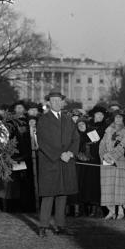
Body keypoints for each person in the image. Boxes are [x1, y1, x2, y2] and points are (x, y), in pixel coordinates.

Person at [34, 90, 77, 236]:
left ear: (63, 102)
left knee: (62, 194)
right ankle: (43, 226)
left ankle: (60, 225)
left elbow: (75, 139)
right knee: (48, 194)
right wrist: (59, 155)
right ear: (49, 103)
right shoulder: (43, 119)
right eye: (54, 101)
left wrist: (70, 153)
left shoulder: (68, 119)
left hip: (66, 162)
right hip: (50, 162)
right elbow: (43, 142)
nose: (57, 103)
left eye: (59, 100)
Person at [99, 111, 125, 219]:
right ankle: (111, 211)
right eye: (116, 117)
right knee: (108, 187)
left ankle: (120, 211)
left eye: (120, 117)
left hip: (119, 161)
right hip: (107, 162)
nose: (117, 119)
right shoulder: (108, 130)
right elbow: (102, 144)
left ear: (123, 119)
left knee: (119, 187)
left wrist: (112, 157)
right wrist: (103, 156)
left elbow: (123, 145)